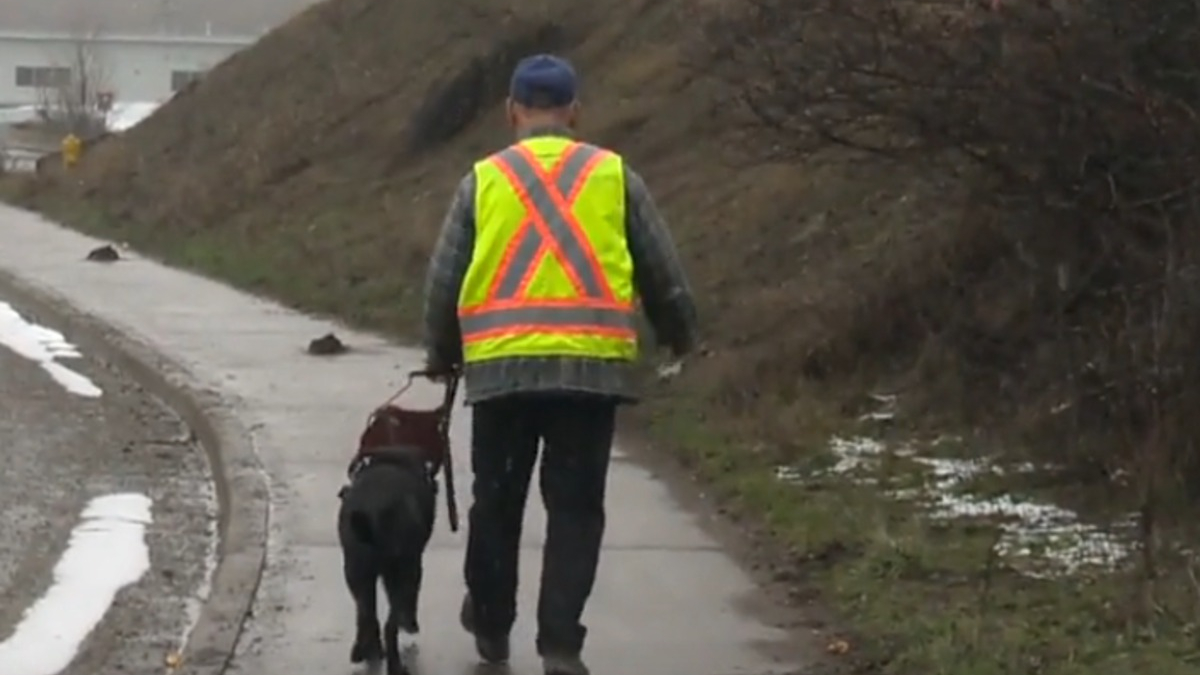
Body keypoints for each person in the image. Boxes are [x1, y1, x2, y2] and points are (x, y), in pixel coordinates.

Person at [421, 53, 699, 675]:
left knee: (497, 502)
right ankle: (560, 644)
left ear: (512, 112)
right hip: (589, 373)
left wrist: (441, 352)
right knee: (575, 508)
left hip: (502, 372)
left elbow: (446, 277)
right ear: (574, 111)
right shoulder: (614, 175)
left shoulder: (484, 179)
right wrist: (681, 335)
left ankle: (491, 626)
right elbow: (661, 268)